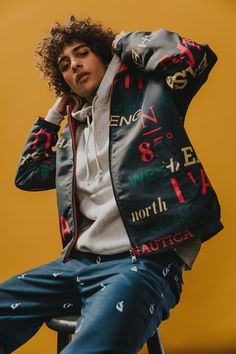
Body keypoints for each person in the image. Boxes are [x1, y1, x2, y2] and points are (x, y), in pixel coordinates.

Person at [0, 16, 223, 354]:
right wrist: (52, 117)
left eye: (82, 53)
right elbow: (28, 175)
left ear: (103, 55)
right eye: (64, 65)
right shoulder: (70, 141)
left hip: (145, 260)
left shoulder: (153, 97)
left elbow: (192, 57)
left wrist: (124, 42)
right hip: (79, 264)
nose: (75, 65)